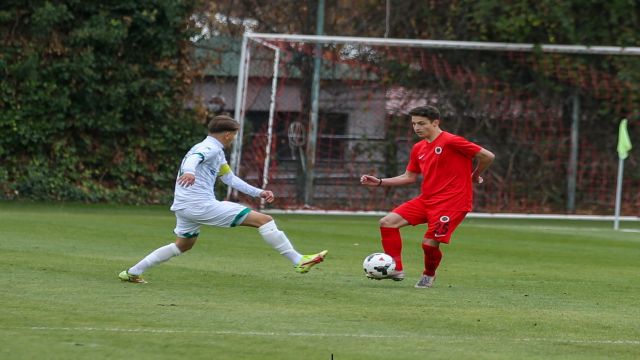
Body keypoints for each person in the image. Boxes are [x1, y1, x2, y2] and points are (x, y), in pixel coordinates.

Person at [119, 115, 328, 283]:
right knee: (264, 221)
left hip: (185, 207)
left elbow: (229, 178)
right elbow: (194, 159)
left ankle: (132, 272)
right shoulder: (208, 148)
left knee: (183, 245)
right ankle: (298, 260)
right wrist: (190, 172)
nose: (234, 139)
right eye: (235, 135)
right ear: (228, 135)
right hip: (200, 205)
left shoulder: (215, 151)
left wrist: (258, 192)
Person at [360, 105, 494, 289]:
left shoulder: (451, 141)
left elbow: (487, 156)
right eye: (414, 123)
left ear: (435, 122)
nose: (417, 128)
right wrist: (380, 182)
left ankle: (428, 274)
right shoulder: (418, 148)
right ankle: (396, 268)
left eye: (421, 123)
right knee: (387, 222)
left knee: (429, 244)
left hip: (453, 203)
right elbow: (409, 177)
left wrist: (475, 174)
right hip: (427, 200)